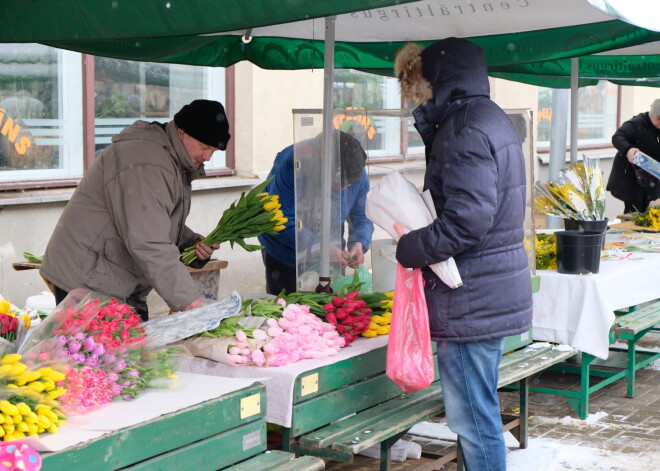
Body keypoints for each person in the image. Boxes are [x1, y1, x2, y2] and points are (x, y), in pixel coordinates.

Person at [393, 38, 533, 470]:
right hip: (488, 288)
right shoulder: (488, 118)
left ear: (435, 81)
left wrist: (410, 246)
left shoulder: (463, 128)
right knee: (479, 411)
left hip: (471, 296)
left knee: (473, 419)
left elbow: (467, 223)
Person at [40, 99, 231, 321]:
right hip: (87, 280)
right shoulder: (147, 162)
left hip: (111, 276)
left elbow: (152, 218)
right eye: (204, 147)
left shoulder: (171, 158)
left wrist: (190, 243)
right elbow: (149, 241)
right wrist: (190, 303)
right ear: (182, 132)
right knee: (98, 354)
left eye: (214, 151)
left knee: (129, 351)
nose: (208, 157)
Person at [257, 131, 374, 295]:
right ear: (322, 161)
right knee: (287, 308)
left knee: (330, 305)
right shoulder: (293, 162)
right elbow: (281, 220)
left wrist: (359, 244)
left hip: (332, 251)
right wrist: (320, 248)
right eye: (338, 183)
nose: (344, 188)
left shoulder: (355, 169)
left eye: (349, 185)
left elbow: (362, 217)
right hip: (285, 253)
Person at [606, 98, 660, 213]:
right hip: (631, 177)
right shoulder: (636, 123)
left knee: (653, 209)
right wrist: (628, 149)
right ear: (651, 115)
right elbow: (617, 137)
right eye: (658, 119)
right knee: (635, 211)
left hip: (653, 177)